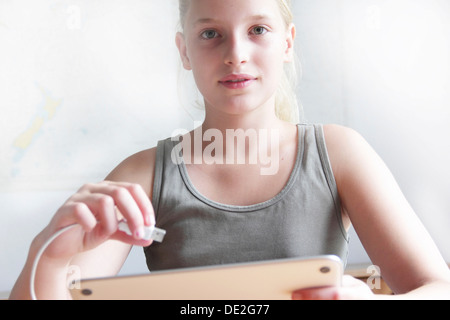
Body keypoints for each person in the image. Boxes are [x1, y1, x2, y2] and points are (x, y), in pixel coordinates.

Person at [10, 0, 450, 300]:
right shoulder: (142, 175)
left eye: (258, 29)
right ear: (184, 50)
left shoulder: (339, 153)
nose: (235, 54)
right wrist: (48, 253)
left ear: (288, 42)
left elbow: (437, 286)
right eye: (210, 34)